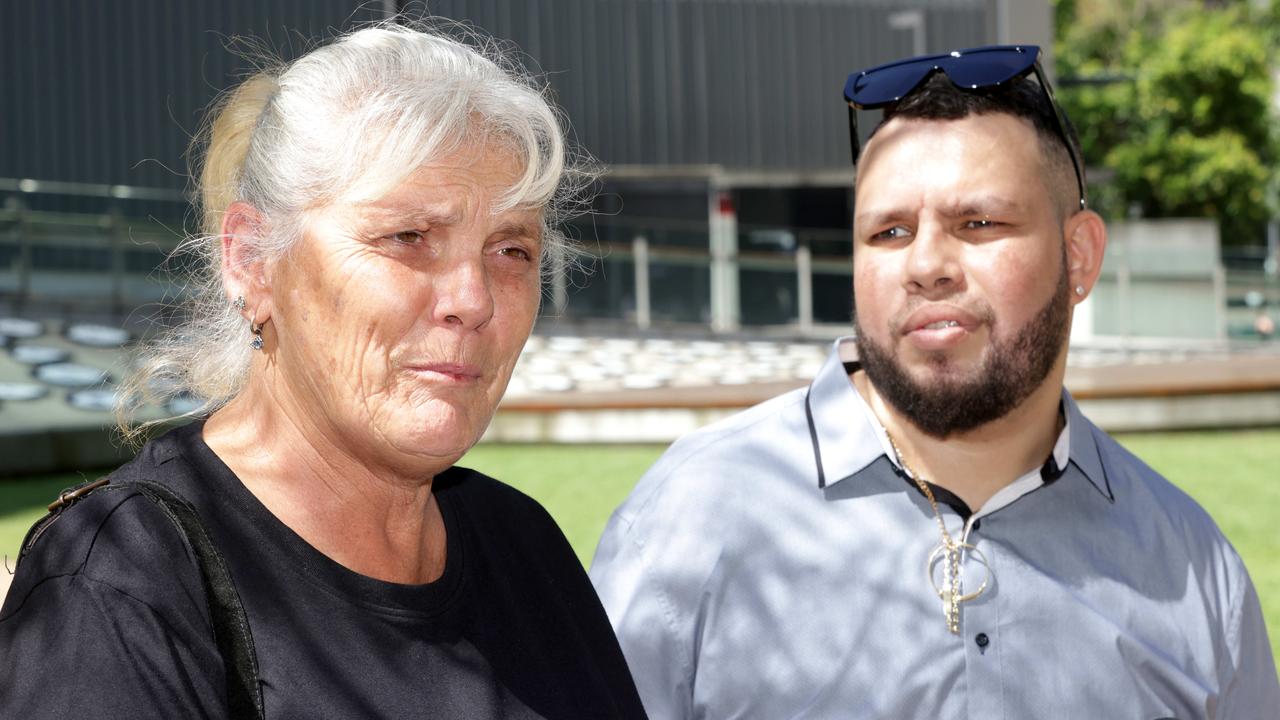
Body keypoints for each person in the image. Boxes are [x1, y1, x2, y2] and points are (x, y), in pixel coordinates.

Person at [591, 45, 1279, 718]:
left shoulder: (1192, 570)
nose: (926, 264)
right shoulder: (687, 522)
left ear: (1079, 256)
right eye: (888, 233)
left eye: (977, 223)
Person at [0, 23, 645, 719]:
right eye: (408, 237)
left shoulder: (522, 543)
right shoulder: (126, 585)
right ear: (251, 259)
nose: (473, 300)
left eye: (511, 250)